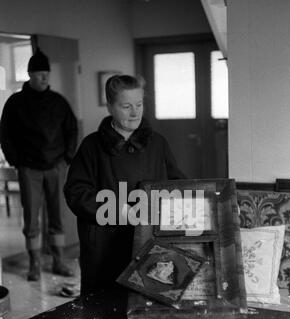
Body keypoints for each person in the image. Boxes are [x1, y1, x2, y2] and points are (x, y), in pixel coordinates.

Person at [64, 74, 185, 294]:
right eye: (126, 106)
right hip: (103, 246)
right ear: (110, 106)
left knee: (144, 301)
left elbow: (177, 185)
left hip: (149, 243)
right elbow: (76, 193)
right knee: (102, 307)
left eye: (139, 104)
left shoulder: (157, 143)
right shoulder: (91, 146)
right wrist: (119, 210)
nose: (135, 112)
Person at [0, 48, 78, 281]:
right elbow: (5, 134)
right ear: (30, 75)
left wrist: (67, 158)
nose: (45, 77)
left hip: (56, 166)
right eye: (40, 73)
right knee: (31, 217)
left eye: (47, 73)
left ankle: (58, 261)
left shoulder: (58, 102)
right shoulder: (15, 102)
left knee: (57, 216)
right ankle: (34, 263)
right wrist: (16, 161)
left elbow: (72, 130)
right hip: (29, 168)